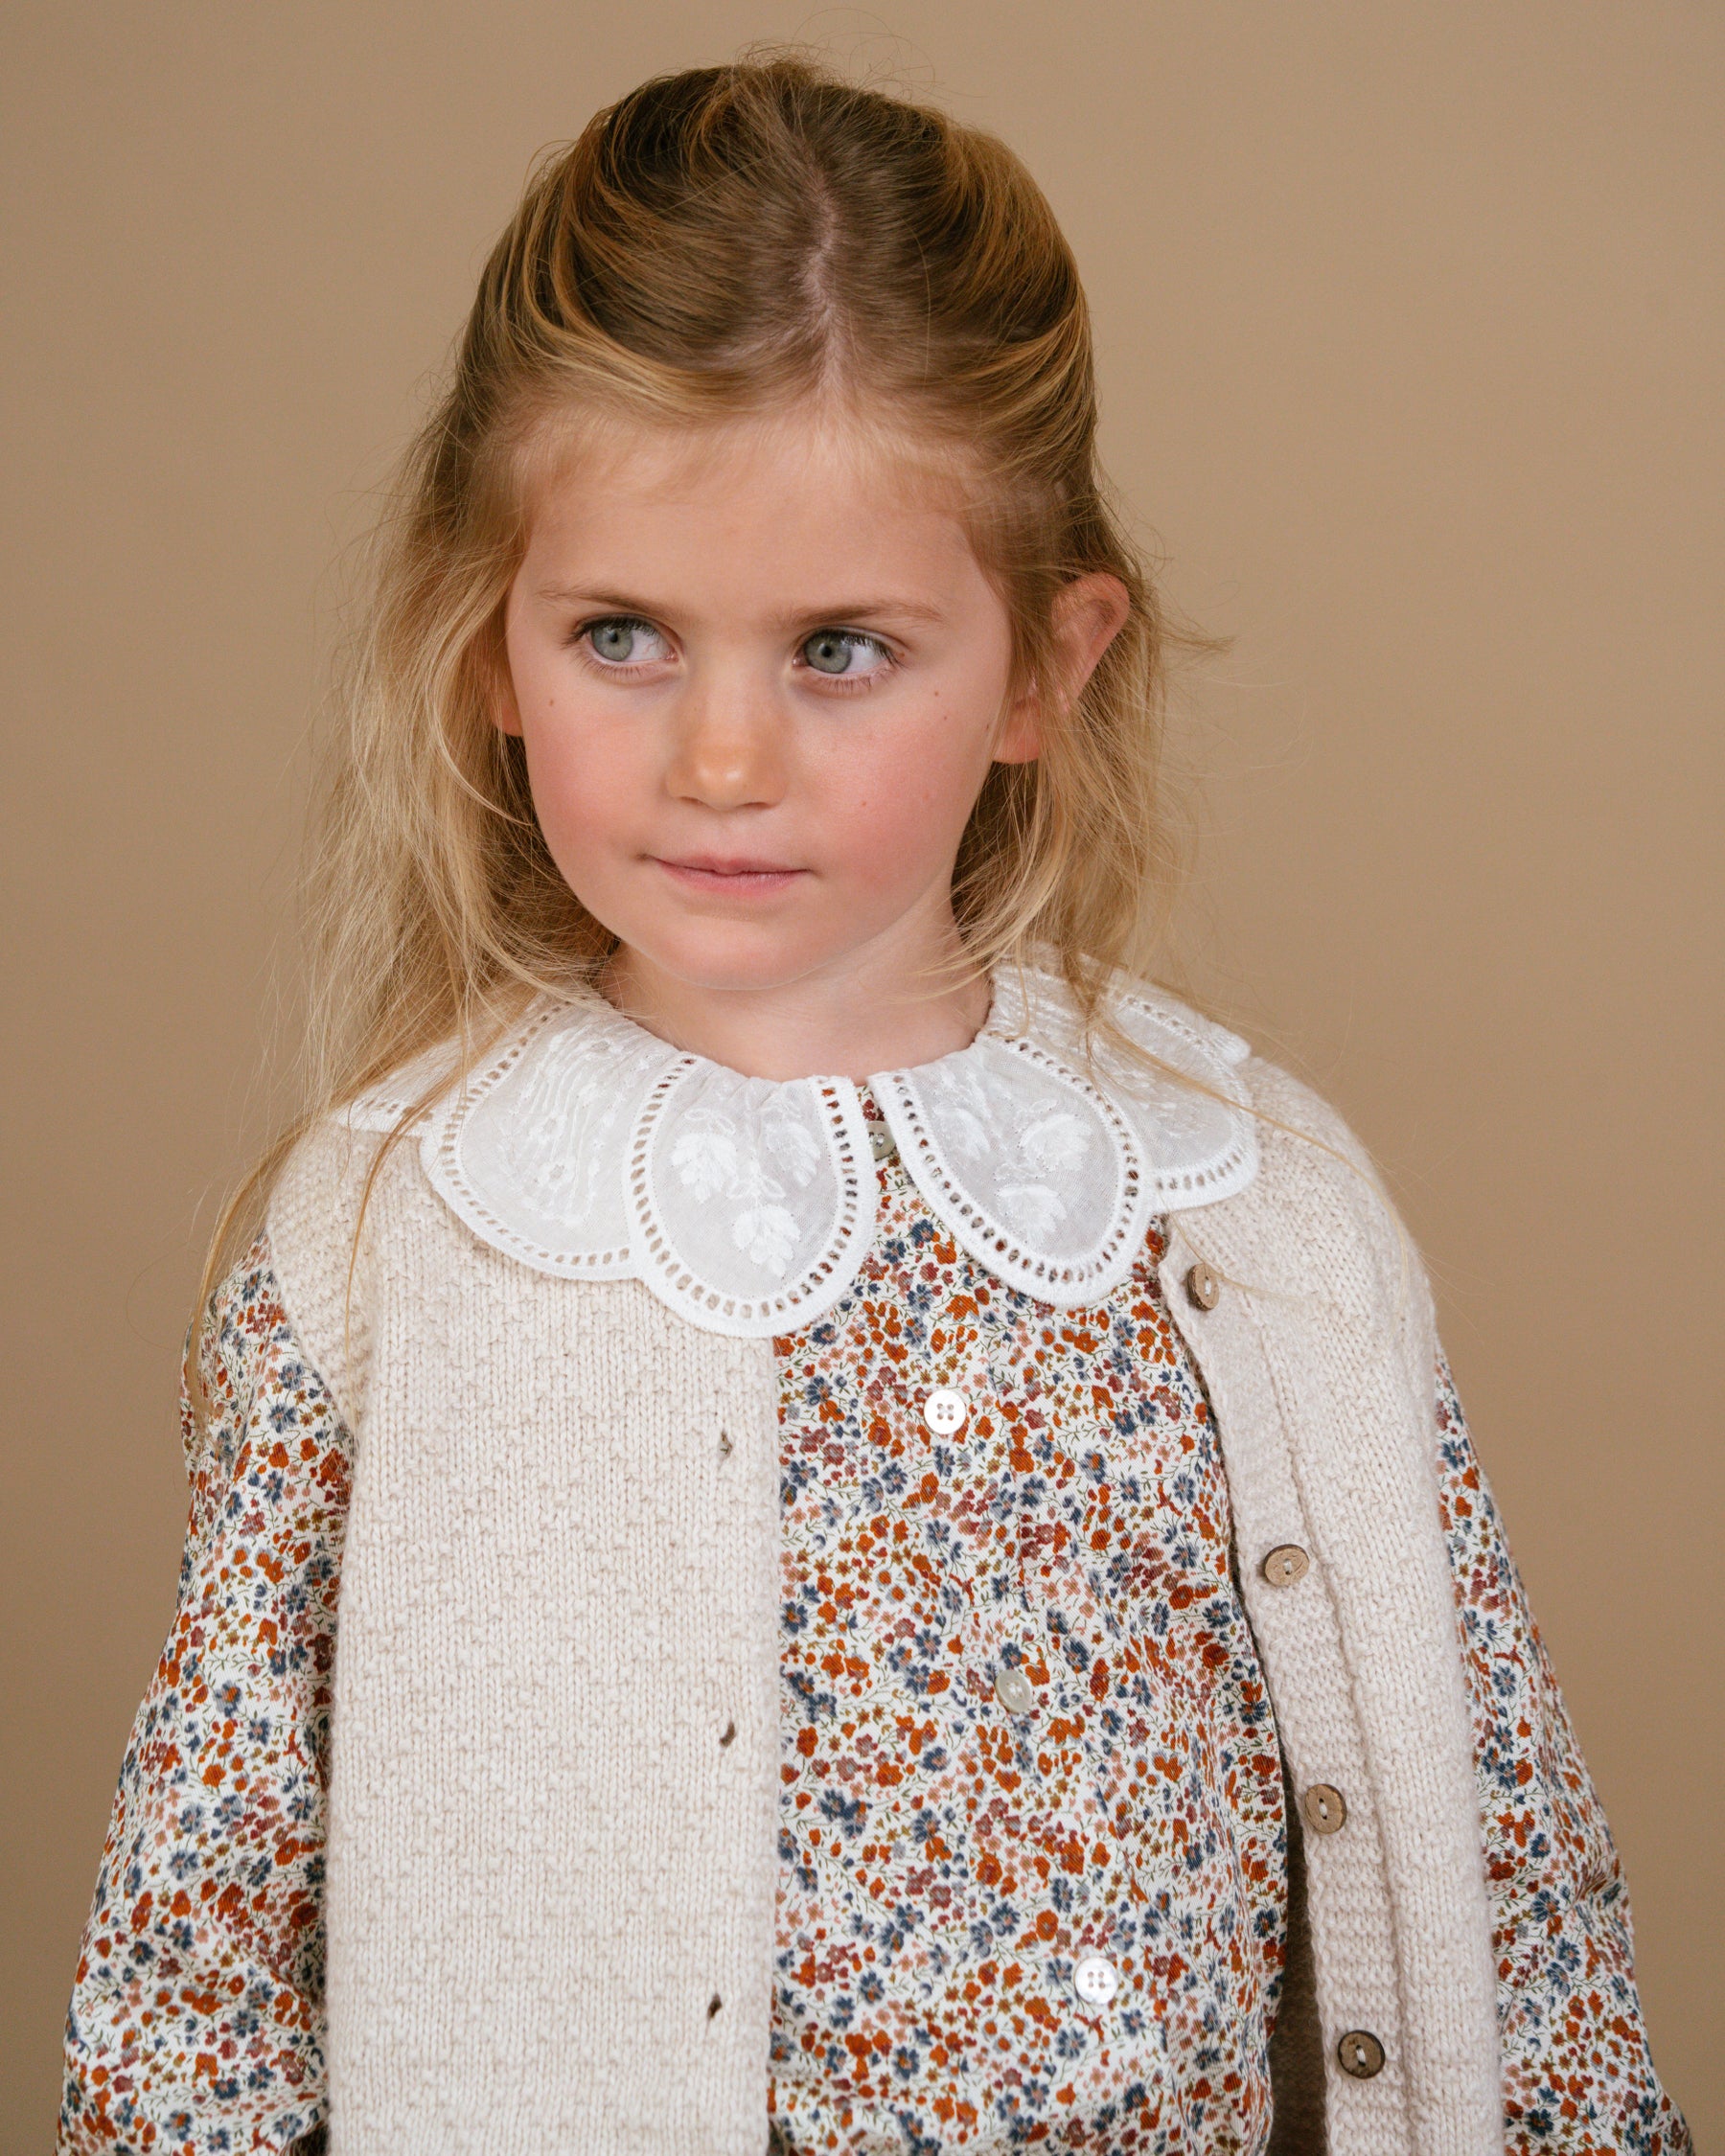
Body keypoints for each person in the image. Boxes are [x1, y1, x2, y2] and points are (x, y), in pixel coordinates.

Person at [57, 55, 1688, 2156]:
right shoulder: (394, 1243)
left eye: (842, 648)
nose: (723, 759)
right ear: (488, 645)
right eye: (624, 635)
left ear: (1043, 666)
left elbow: (1512, 1879)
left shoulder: (1247, 1210)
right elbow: (196, 1969)